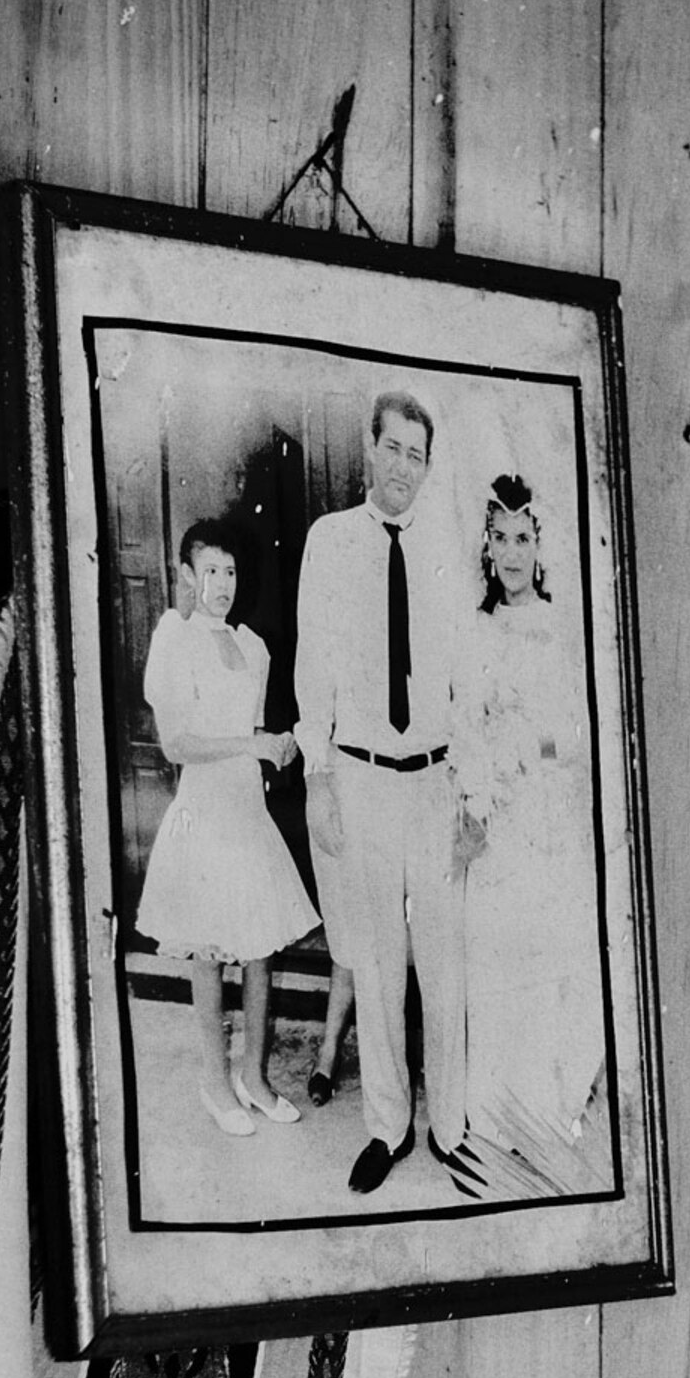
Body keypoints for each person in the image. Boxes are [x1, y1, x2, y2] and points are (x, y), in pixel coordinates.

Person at [292, 389, 471, 1194]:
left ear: (429, 468)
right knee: (376, 960)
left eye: (418, 455)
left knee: (443, 964)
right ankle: (387, 1128)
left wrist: (474, 798)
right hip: (360, 777)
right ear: (370, 449)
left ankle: (452, 1127)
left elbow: (472, 678)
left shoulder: (448, 547)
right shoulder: (329, 542)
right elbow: (312, 668)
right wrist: (319, 778)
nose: (404, 467)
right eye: (393, 448)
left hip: (435, 782)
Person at [451, 477, 609, 1196]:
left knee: (550, 959)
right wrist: (481, 792)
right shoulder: (475, 629)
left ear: (539, 547)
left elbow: (576, 733)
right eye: (500, 538)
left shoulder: (559, 626)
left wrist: (532, 751)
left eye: (523, 538)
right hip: (498, 818)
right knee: (497, 959)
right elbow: (464, 725)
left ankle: (546, 1114)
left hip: (549, 815)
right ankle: (495, 1121)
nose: (511, 552)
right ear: (486, 547)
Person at [134, 519, 317, 1139]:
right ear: (187, 576)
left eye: (230, 572)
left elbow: (257, 737)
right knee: (209, 955)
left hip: (247, 813)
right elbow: (177, 743)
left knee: (261, 950)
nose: (222, 584)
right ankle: (214, 1084)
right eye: (209, 571)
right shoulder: (174, 637)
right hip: (204, 816)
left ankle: (253, 1078)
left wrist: (278, 751)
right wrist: (256, 745)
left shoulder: (255, 647)